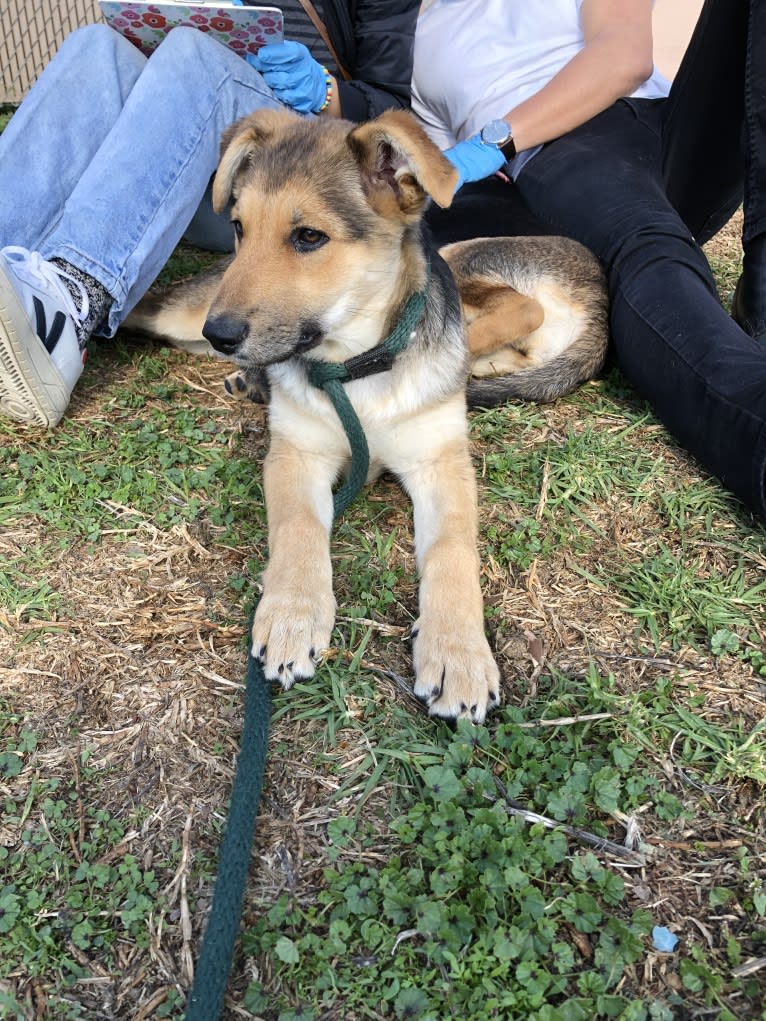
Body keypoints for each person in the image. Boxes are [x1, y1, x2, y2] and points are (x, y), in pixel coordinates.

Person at [414, 0, 766, 523]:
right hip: (552, 159)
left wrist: (493, 139)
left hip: (659, 123)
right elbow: (442, 179)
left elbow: (624, 57)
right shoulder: (418, 28)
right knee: (645, 246)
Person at [0, 0, 418, 427]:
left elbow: (389, 103)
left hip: (307, 176)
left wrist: (326, 90)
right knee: (98, 49)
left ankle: (68, 305)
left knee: (194, 54)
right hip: (192, 173)